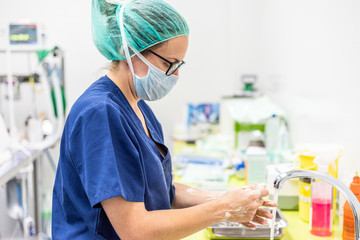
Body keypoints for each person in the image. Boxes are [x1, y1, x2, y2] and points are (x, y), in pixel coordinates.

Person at [52, 0, 277, 239]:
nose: (176, 74)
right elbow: (134, 230)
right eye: (169, 64)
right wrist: (224, 209)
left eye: (180, 64)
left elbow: (164, 194)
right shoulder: (100, 113)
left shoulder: (138, 107)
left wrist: (228, 196)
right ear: (131, 52)